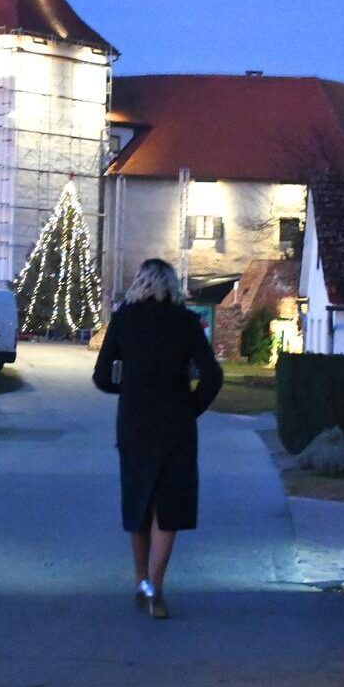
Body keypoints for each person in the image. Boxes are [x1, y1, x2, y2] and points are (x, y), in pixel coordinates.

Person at [93, 259, 222, 620]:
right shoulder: (186, 322)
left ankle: (141, 581)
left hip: (135, 424)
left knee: (139, 502)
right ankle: (157, 589)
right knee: (168, 508)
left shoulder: (124, 319)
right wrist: (190, 407)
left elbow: (101, 377)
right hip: (176, 424)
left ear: (140, 283)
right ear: (172, 285)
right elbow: (212, 376)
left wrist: (129, 389)